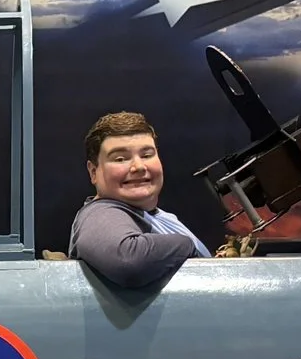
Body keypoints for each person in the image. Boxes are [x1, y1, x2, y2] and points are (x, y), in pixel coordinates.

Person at [69, 112, 210, 289]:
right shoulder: (100, 213)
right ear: (93, 172)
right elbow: (127, 260)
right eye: (120, 159)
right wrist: (188, 245)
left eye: (147, 155)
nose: (139, 167)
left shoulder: (160, 217)